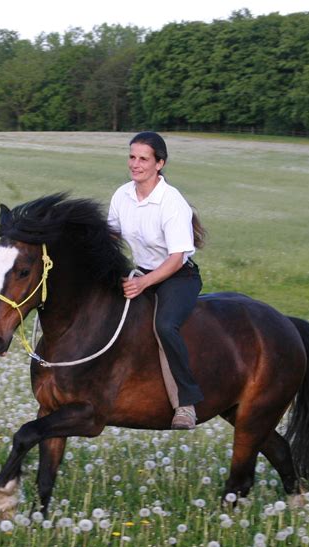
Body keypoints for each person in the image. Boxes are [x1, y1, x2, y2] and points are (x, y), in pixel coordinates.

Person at [108, 131, 205, 430]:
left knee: (164, 325)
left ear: (159, 163)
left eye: (143, 159)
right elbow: (109, 238)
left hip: (177, 277)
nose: (135, 164)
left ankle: (186, 404)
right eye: (132, 157)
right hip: (139, 272)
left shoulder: (171, 201)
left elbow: (176, 258)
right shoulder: (122, 195)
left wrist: (144, 283)